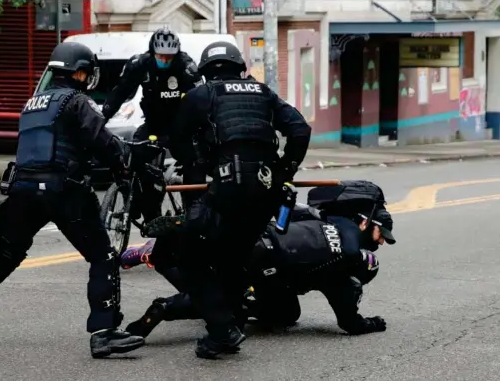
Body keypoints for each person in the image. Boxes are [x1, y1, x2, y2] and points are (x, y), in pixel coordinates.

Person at [0, 42, 145, 358]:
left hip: (23, 189)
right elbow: (102, 141)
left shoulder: (32, 104)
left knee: (3, 258)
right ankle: (104, 332)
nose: (87, 79)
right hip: (64, 189)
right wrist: (123, 162)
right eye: (86, 73)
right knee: (102, 255)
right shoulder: (76, 100)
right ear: (78, 72)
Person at [159, 40, 311, 359]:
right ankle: (232, 322)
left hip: (229, 188)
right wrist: (285, 171)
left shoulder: (203, 94)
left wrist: (199, 163)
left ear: (204, 72)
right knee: (232, 258)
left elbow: (178, 139)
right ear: (240, 68)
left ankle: (222, 329)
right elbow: (300, 129)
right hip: (266, 192)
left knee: (189, 260)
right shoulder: (264, 93)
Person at [123, 205, 395, 339]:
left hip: (259, 238)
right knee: (223, 302)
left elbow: (291, 212)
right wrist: (374, 323)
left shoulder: (333, 221)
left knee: (288, 314)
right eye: (380, 235)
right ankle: (166, 307)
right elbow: (349, 323)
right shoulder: (345, 269)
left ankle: (163, 252)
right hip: (265, 264)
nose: (382, 241)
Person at [102, 27, 205, 223]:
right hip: (153, 124)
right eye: (161, 56)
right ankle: (135, 205)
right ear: (152, 52)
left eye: (169, 57)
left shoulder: (185, 66)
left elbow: (201, 99)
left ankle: (195, 213)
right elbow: (119, 94)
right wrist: (101, 120)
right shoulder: (140, 64)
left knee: (194, 161)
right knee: (130, 156)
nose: (165, 60)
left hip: (180, 127)